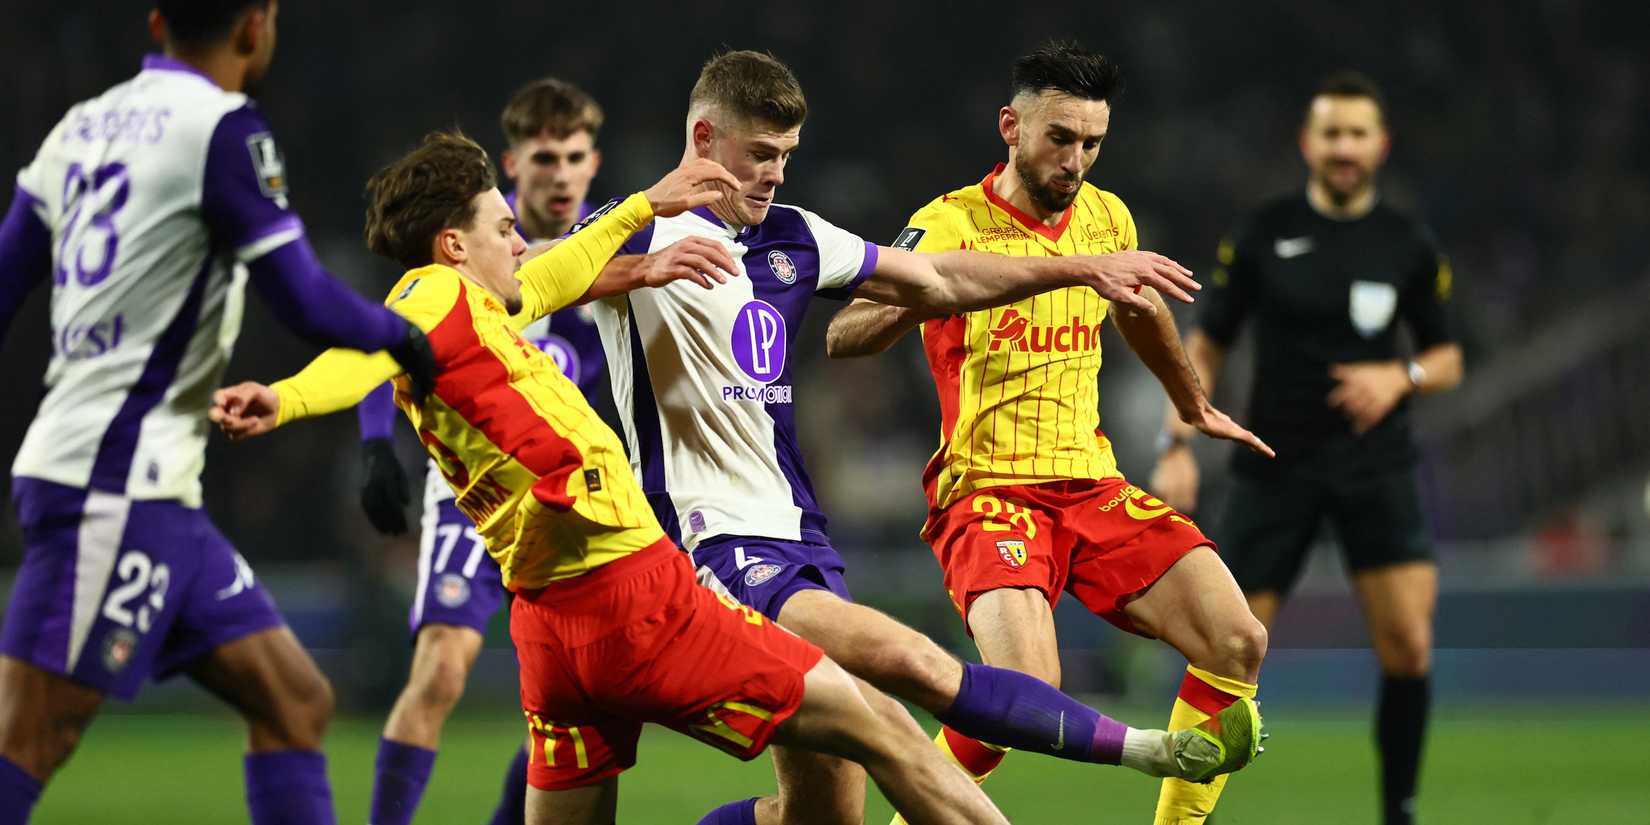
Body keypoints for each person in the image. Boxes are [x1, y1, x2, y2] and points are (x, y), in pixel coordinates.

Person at [210, 129, 1017, 825]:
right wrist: (282, 400)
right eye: (504, 228)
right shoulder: (431, 297)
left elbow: (562, 272)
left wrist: (645, 207)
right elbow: (364, 349)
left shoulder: (478, 313)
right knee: (879, 725)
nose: (520, 242)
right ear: (454, 245)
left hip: (549, 626)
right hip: (635, 598)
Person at [585, 50, 1260, 825]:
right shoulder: (639, 230)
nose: (775, 175)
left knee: (823, 813)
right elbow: (524, 285)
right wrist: (632, 260)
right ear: (1012, 127)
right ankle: (1141, 748)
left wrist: (1177, 386)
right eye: (762, 154)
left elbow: (974, 286)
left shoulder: (796, 235)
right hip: (776, 531)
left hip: (832, 531)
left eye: (786, 156)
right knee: (933, 677)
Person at [0, 3, 435, 824]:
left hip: (149, 493)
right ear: (255, 25)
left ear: (157, 21)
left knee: (293, 700)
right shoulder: (224, 129)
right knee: (26, 741)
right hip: (114, 489)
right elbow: (303, 298)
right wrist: (404, 338)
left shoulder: (79, 126)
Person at [825, 41, 1274, 825]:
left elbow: (1141, 309)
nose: (1075, 161)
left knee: (1238, 639)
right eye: (1060, 138)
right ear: (1012, 126)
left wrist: (1191, 402)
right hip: (989, 491)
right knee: (1024, 697)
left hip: (1093, 486)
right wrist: (930, 292)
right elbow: (845, 334)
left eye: (1092, 142)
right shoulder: (947, 223)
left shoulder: (1106, 216)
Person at [1148, 70, 1462, 825]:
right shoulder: (1263, 232)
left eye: (1357, 134)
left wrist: (1401, 376)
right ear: (1307, 142)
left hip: (1375, 464)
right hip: (1273, 462)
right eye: (1331, 133)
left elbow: (1447, 358)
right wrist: (1176, 441)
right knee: (1223, 647)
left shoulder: (1408, 243)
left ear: (1380, 145)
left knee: (1409, 646)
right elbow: (1205, 344)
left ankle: (1399, 812)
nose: (1344, 148)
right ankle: (1190, 818)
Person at [352, 77, 613, 825]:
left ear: (594, 163)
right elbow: (394, 337)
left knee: (580, 698)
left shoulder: (606, 251)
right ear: (513, 164)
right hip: (474, 495)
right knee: (441, 668)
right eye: (544, 159)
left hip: (567, 497)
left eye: (574, 158)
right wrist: (377, 444)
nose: (560, 175)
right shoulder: (469, 245)